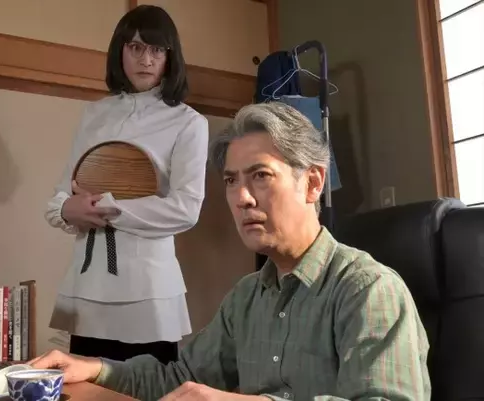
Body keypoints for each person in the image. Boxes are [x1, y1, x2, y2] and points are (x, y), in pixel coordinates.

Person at [34, 102, 431, 400]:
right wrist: (92, 368)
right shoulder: (246, 297)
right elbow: (178, 378)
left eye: (260, 176)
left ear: (312, 184)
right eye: (230, 181)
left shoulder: (368, 289)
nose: (241, 198)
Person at [44, 5, 208, 365]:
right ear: (120, 51)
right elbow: (62, 194)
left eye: (157, 49)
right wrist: (67, 209)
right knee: (84, 385)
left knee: (148, 385)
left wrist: (107, 207)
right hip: (86, 285)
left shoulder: (188, 122)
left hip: (147, 289)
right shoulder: (93, 114)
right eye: (135, 47)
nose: (146, 59)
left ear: (170, 56)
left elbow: (185, 209)